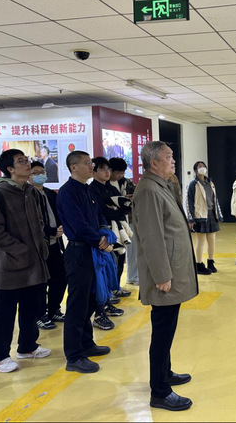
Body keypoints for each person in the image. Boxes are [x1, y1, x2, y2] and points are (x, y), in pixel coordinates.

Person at [132, 141, 198, 412]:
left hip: (171, 269)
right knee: (162, 333)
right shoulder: (149, 190)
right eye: (169, 157)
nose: (173, 161)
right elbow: (152, 237)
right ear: (154, 162)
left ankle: (165, 373)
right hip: (164, 275)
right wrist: (161, 276)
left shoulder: (162, 185)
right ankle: (159, 392)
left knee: (167, 329)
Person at [0, 149, 51, 373]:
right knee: (4, 314)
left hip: (34, 263)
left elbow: (40, 223)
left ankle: (28, 346)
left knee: (30, 308)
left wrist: (42, 246)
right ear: (10, 169)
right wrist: (21, 250)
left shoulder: (31, 192)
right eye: (21, 161)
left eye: (27, 160)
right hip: (10, 266)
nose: (27, 164)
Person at [57, 151, 112, 374]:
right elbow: (78, 226)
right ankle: (73, 356)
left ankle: (87, 343)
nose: (92, 166)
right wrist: (99, 240)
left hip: (92, 250)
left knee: (90, 301)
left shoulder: (87, 189)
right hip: (79, 251)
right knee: (77, 305)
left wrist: (105, 232)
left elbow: (98, 216)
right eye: (87, 163)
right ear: (74, 167)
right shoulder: (68, 192)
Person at [89, 157, 128, 331]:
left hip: (114, 233)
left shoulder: (110, 188)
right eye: (102, 169)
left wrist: (119, 209)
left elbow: (123, 208)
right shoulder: (91, 189)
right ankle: (100, 311)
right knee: (102, 273)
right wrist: (117, 210)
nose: (107, 172)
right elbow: (105, 212)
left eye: (108, 169)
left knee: (116, 264)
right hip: (101, 237)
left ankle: (109, 300)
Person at [29, 162, 67, 331]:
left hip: (54, 243)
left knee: (60, 278)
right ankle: (39, 314)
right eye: (35, 172)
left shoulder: (50, 193)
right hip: (38, 246)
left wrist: (60, 228)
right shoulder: (28, 195)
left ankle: (54, 309)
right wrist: (50, 231)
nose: (40, 175)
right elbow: (32, 223)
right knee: (40, 282)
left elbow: (59, 214)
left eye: (42, 172)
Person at [186, 161, 223, 275]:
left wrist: (218, 214)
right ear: (195, 170)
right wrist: (191, 219)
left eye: (203, 166)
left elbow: (215, 200)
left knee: (212, 241)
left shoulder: (210, 183)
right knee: (200, 241)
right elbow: (189, 202)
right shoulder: (193, 184)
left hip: (211, 214)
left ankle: (210, 262)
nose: (202, 168)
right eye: (199, 166)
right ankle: (199, 264)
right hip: (200, 215)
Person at [108, 158, 138, 286]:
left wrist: (129, 200)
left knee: (125, 253)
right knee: (113, 256)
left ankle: (121, 283)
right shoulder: (104, 184)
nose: (119, 175)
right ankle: (113, 287)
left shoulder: (127, 183)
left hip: (126, 221)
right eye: (117, 173)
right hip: (111, 224)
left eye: (122, 173)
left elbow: (135, 198)